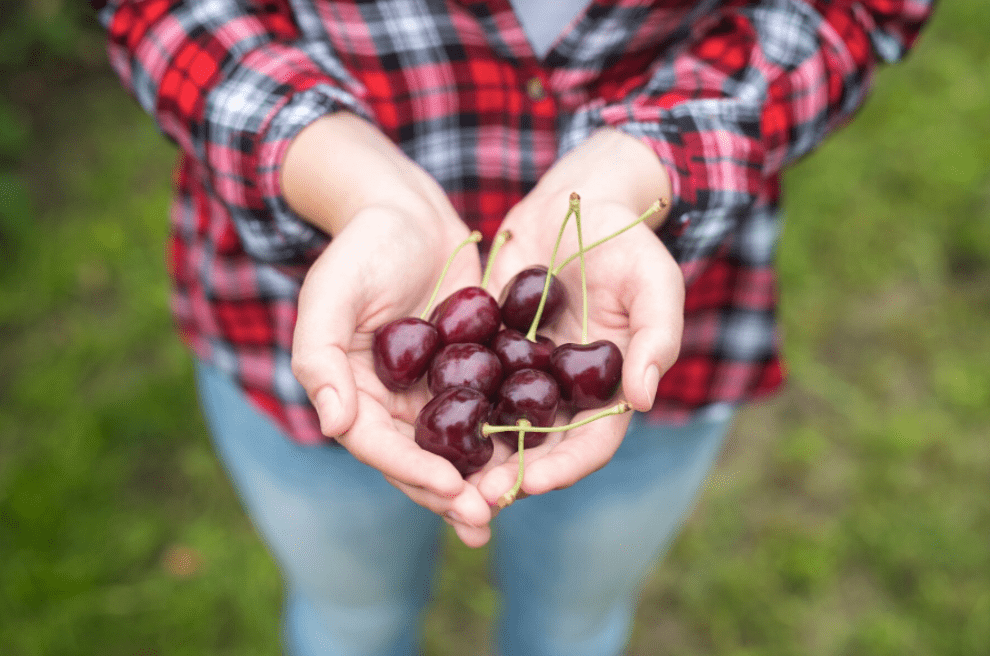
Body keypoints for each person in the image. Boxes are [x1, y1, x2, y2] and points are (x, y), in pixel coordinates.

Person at [94, 1, 933, 654]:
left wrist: (646, 165)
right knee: (349, 624)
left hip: (655, 314)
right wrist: (342, 175)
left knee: (571, 633)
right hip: (300, 324)